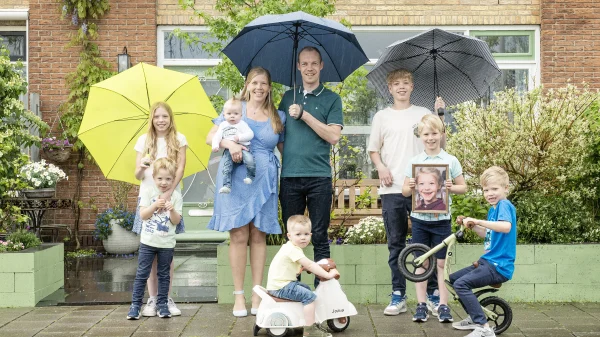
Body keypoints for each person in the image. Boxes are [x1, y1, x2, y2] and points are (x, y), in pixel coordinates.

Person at [207, 67, 285, 317]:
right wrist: (229, 143)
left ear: (269, 87)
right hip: (235, 177)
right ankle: (239, 296)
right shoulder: (234, 109)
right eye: (254, 83)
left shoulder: (277, 115)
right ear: (247, 85)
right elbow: (210, 137)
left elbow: (284, 149)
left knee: (259, 235)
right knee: (239, 235)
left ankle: (257, 294)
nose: (259, 87)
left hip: (264, 180)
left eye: (263, 83)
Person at [367, 69, 445, 316]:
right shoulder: (382, 116)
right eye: (396, 83)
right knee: (396, 243)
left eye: (406, 83)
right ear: (389, 89)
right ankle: (398, 294)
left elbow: (440, 144)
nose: (401, 87)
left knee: (428, 244)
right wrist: (380, 168)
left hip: (424, 189)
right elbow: (373, 149)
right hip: (392, 187)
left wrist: (440, 115)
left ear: (412, 86)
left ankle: (432, 295)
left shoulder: (423, 113)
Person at [278, 46, 343, 287]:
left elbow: (333, 136)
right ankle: (292, 288)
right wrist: (293, 158)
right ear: (298, 66)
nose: (309, 68)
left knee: (319, 236)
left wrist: (304, 115)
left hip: (319, 177)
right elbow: (280, 137)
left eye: (314, 63)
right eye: (304, 64)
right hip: (290, 177)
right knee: (293, 239)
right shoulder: (287, 97)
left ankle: (323, 289)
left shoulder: (332, 99)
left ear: (321, 65)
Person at [402, 114, 467, 323]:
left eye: (434, 133)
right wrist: (410, 187)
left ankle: (443, 306)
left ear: (441, 134)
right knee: (421, 263)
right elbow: (404, 192)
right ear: (420, 136)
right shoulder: (414, 162)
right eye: (426, 134)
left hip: (442, 221)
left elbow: (463, 187)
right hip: (420, 220)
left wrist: (451, 187)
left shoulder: (450, 160)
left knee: (441, 265)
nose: (431, 138)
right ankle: (421, 305)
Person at [133, 101, 186, 317]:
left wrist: (168, 193)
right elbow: (136, 174)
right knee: (150, 252)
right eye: (157, 117)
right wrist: (143, 165)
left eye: (165, 116)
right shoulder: (144, 141)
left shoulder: (179, 139)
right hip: (148, 199)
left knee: (166, 253)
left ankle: (166, 297)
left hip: (170, 199)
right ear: (152, 119)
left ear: (170, 118)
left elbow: (181, 168)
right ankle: (152, 299)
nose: (161, 120)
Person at [451, 166, 517, 337]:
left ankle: (484, 328)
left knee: (461, 284)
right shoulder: (493, 209)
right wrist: (473, 226)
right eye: (486, 190)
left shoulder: (504, 205)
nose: (490, 193)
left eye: (494, 189)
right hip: (488, 261)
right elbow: (488, 234)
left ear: (506, 188)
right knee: (453, 280)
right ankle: (475, 318)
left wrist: (478, 220)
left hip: (498, 265)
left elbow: (505, 227)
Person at [127, 158, 183, 320]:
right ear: (153, 177)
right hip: (148, 243)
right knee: (142, 274)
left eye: (168, 179)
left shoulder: (176, 197)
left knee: (164, 275)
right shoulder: (148, 193)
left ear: (173, 180)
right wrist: (154, 206)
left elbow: (176, 221)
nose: (163, 182)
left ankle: (163, 304)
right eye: (160, 178)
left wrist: (171, 210)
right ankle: (136, 305)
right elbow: (143, 215)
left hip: (166, 244)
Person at [266, 215, 339, 337]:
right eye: (298, 234)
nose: (303, 238)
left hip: (281, 284)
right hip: (281, 286)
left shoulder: (291, 247)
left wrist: (302, 269)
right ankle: (310, 330)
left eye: (306, 234)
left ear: (310, 235)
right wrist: (328, 274)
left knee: (305, 288)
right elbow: (310, 265)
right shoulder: (293, 250)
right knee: (310, 297)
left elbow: (300, 265)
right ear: (289, 236)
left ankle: (304, 319)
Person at [211, 97, 256, 194]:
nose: (232, 116)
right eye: (229, 114)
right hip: (228, 150)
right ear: (224, 114)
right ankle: (226, 185)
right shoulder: (223, 125)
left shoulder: (242, 124)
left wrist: (240, 137)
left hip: (244, 147)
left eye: (235, 114)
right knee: (227, 167)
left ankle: (250, 176)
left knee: (249, 160)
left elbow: (250, 134)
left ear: (241, 115)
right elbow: (217, 136)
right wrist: (215, 145)